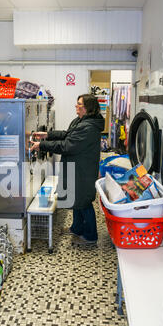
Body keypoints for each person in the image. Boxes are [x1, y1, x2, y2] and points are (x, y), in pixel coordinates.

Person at [30, 93, 104, 245]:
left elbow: (67, 146)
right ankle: (76, 228)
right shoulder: (82, 121)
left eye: (79, 105)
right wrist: (47, 135)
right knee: (76, 198)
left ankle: (91, 236)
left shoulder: (88, 127)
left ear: (88, 108)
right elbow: (67, 134)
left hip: (82, 169)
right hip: (76, 166)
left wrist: (41, 145)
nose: (76, 106)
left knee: (84, 201)